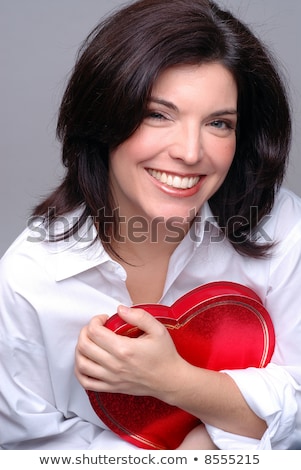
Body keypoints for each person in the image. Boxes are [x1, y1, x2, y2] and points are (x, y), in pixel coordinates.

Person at [0, 0, 300, 451]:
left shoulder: (281, 226)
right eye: (158, 114)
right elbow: (29, 450)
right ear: (103, 118)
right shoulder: (29, 279)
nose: (190, 151)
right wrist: (196, 452)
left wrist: (178, 384)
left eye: (218, 123)